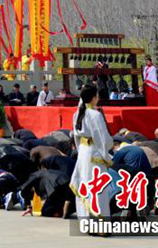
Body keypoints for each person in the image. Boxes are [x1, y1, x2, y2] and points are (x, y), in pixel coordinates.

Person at [70, 84, 114, 220]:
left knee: (84, 184)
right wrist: (107, 153)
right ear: (94, 97)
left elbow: (76, 137)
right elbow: (101, 137)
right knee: (97, 188)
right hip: (94, 153)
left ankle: (86, 221)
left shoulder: (77, 114)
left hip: (83, 152)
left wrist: (80, 150)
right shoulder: (95, 115)